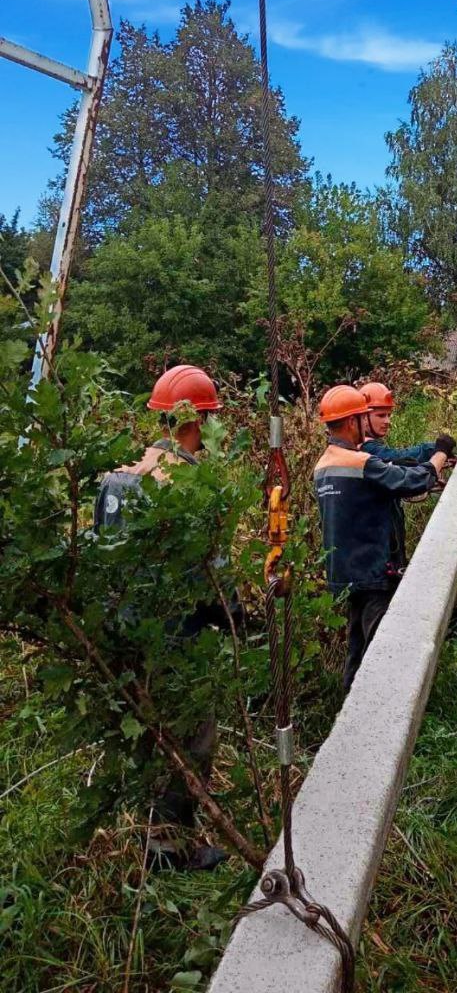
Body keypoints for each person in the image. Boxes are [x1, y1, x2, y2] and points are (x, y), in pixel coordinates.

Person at [94, 364, 228, 870]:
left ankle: (147, 837)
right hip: (179, 641)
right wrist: (239, 615)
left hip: (125, 637)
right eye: (214, 421)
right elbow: (210, 579)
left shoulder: (118, 473)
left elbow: (100, 551)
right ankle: (171, 851)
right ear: (198, 421)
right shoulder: (190, 482)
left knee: (146, 738)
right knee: (192, 742)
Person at [314, 385, 455, 691]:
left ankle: (348, 708)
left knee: (357, 642)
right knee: (379, 649)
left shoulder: (323, 465)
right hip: (374, 569)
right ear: (354, 422)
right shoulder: (361, 462)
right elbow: (412, 481)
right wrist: (440, 454)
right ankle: (374, 714)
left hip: (343, 573)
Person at [358, 380, 444, 576]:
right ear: (362, 417)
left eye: (388, 415)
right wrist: (438, 449)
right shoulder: (366, 452)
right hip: (379, 560)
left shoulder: (358, 451)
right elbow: (400, 460)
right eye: (380, 415)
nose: (387, 421)